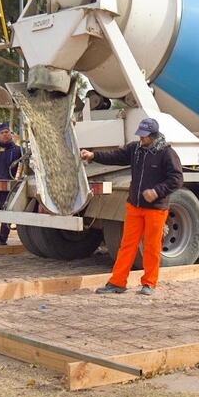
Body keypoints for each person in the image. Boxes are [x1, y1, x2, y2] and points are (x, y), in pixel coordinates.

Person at [81, 118, 183, 296]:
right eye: (140, 135)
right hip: (134, 206)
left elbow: (176, 180)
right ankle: (117, 282)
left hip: (156, 209)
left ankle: (149, 283)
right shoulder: (135, 149)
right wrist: (93, 155)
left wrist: (157, 191)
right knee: (127, 245)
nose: (141, 139)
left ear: (153, 136)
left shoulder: (167, 153)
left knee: (151, 247)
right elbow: (115, 156)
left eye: (144, 136)